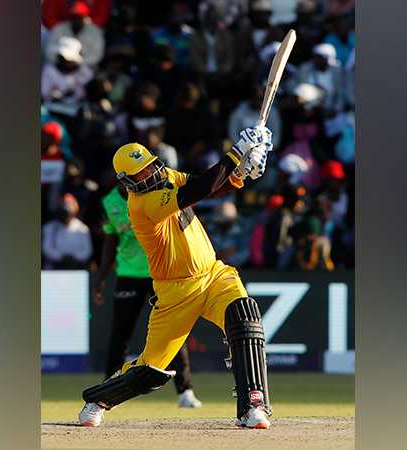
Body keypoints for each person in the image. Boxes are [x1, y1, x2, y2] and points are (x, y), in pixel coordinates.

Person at [78, 125, 274, 429]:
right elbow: (200, 190)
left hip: (213, 275)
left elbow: (209, 186)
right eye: (140, 174)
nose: (150, 175)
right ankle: (97, 399)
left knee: (244, 317)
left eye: (150, 167)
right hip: (175, 292)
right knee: (150, 371)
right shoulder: (141, 205)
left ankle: (253, 406)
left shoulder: (166, 175)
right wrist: (237, 152)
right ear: (128, 182)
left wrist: (242, 173)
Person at [95, 183, 202, 408]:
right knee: (120, 334)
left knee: (172, 331)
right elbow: (110, 240)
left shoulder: (154, 196)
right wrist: (101, 278)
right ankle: (107, 391)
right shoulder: (109, 202)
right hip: (128, 274)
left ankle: (185, 391)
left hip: (161, 274)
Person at [44, 1, 105, 67]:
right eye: (74, 17)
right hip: (59, 66)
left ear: (85, 18)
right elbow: (49, 51)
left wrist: (77, 62)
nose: (76, 20)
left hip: (85, 67)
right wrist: (63, 61)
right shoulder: (59, 28)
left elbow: (97, 55)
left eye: (79, 18)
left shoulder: (94, 31)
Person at [42, 193, 93, 269]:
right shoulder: (49, 227)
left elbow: (87, 251)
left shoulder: (82, 228)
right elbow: (47, 248)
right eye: (63, 211)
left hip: (76, 267)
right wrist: (61, 257)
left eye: (68, 211)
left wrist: (73, 258)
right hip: (54, 267)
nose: (65, 214)